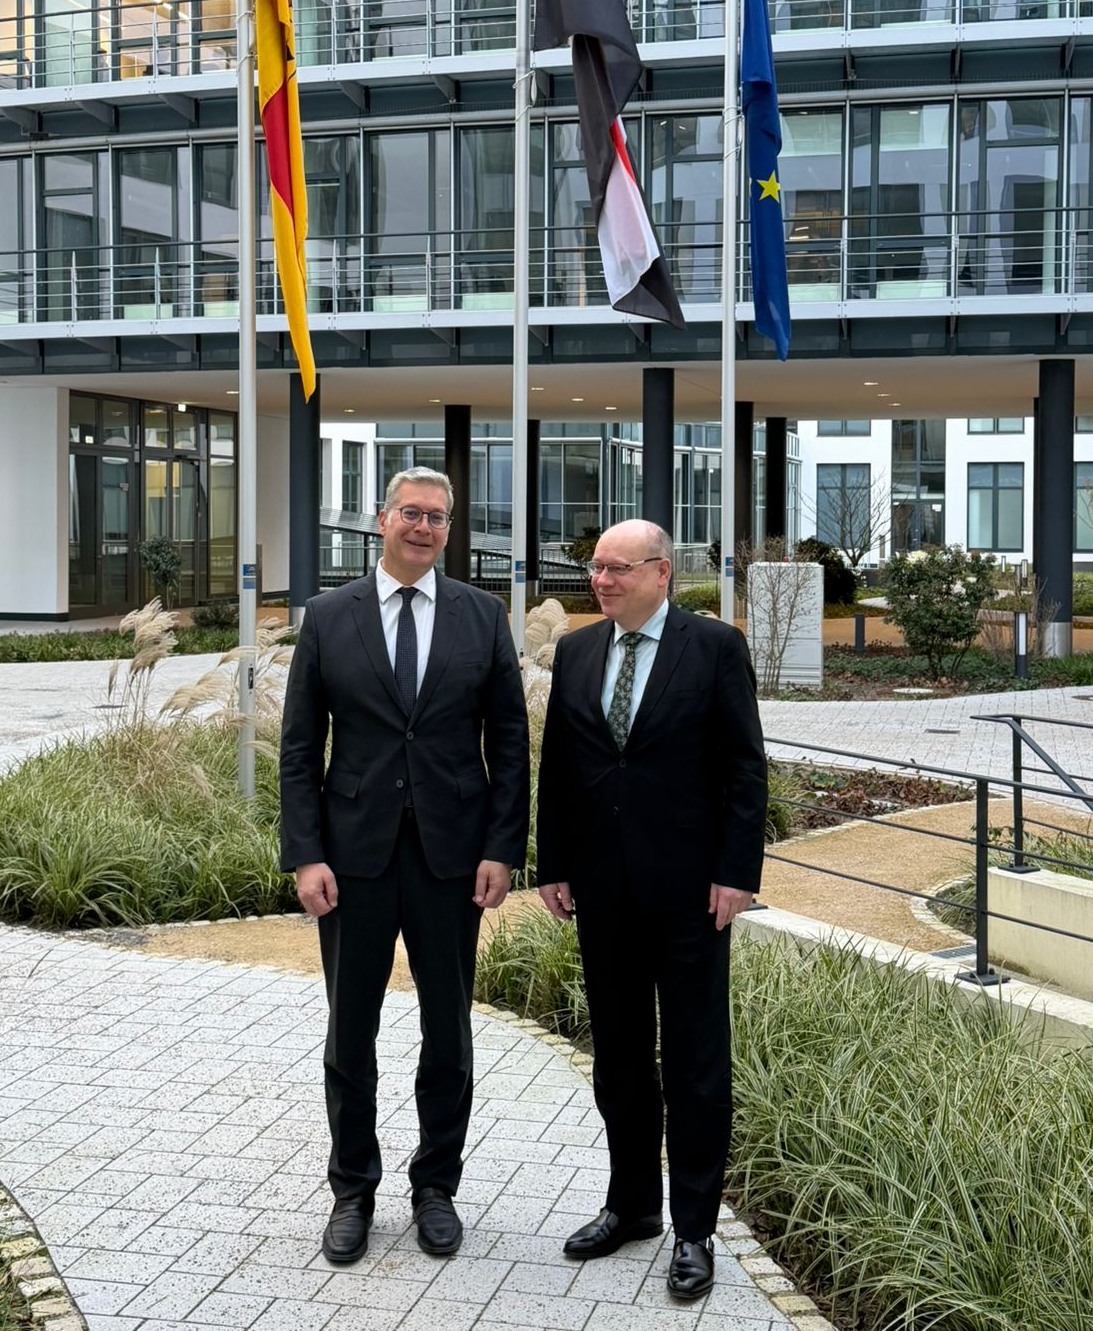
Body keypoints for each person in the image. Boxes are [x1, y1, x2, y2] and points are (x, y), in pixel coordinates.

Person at [280, 466, 529, 1266]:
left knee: (447, 1032)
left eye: (438, 517)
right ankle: (352, 1190)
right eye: (411, 513)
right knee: (349, 1034)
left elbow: (511, 743)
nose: (424, 527)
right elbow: (299, 749)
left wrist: (502, 848)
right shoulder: (329, 616)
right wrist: (305, 854)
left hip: (452, 859)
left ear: (449, 530)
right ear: (383, 519)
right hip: (352, 860)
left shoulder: (482, 615)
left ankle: (436, 1188)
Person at [536, 518, 768, 1301]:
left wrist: (736, 874)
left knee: (696, 1063)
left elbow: (745, 769)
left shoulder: (715, 649)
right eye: (596, 568)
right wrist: (554, 864)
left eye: (618, 569)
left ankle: (695, 1229)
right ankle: (632, 1206)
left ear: (662, 572)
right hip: (603, 893)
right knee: (620, 1057)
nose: (601, 581)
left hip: (691, 894)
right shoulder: (577, 652)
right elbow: (560, 768)